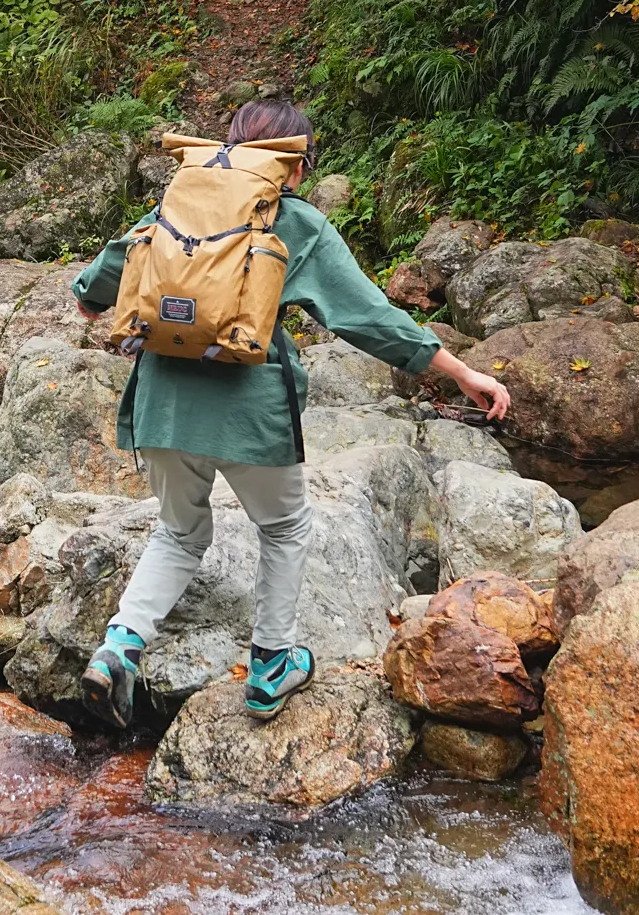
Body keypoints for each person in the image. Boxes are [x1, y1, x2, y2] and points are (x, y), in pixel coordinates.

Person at [73, 101, 511, 727]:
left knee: (178, 533)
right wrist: (463, 373)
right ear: (296, 167)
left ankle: (120, 648)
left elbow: (97, 288)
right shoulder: (297, 223)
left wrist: (115, 301)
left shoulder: (177, 206)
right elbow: (367, 319)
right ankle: (271, 665)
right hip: (248, 412)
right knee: (283, 528)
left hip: (162, 406)